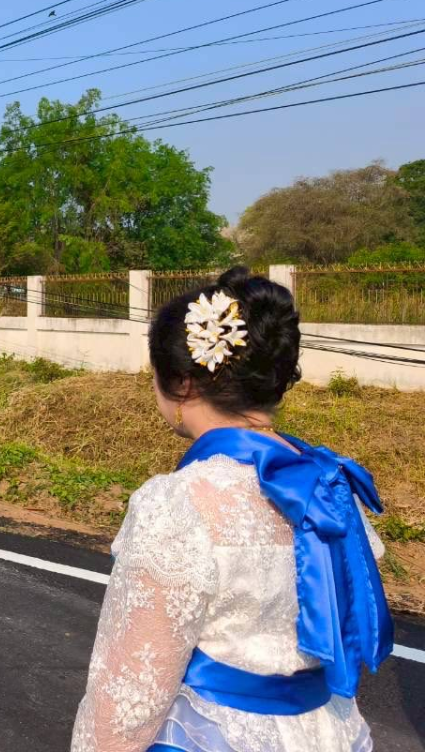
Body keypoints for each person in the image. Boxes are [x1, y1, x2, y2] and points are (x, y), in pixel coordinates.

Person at [70, 268, 393, 752]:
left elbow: (130, 693)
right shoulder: (330, 485)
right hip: (326, 732)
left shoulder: (178, 503)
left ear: (181, 384)